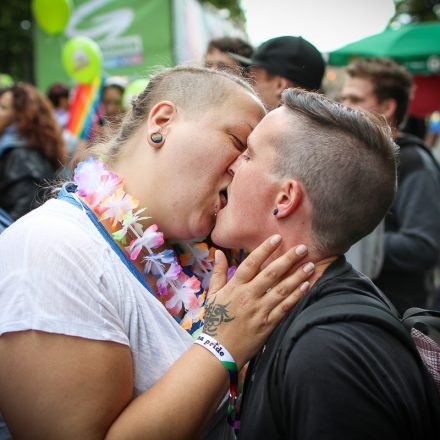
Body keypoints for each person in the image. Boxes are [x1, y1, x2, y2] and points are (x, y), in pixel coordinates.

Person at [0, 66, 313, 439]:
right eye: (238, 143)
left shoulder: (188, 252)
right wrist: (223, 343)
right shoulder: (52, 246)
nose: (244, 172)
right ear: (162, 121)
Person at [210, 88, 440, 439]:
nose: (231, 163)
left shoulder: (328, 353)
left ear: (285, 199)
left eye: (249, 155)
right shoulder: (291, 311)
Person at [341, 57, 440, 313]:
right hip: (360, 305)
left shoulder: (414, 161)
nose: (344, 107)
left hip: (400, 314)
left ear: (387, 106)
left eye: (355, 100)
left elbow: (423, 246)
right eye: (343, 99)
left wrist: (344, 237)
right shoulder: (364, 155)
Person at [0, 83, 66, 220]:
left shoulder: (21, 157)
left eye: (3, 107)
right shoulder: (16, 150)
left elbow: (18, 220)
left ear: (21, 117)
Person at [228, 35, 325, 110]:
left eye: (252, 80)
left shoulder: (263, 134)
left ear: (281, 85)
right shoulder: (322, 132)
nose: (246, 86)